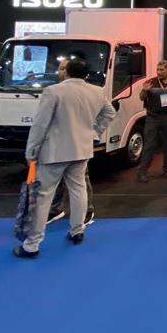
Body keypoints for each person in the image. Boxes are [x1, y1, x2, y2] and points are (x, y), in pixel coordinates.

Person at [13, 58, 115, 259]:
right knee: (79, 190)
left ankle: (32, 245)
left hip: (54, 151)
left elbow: (40, 124)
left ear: (67, 71)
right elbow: (109, 113)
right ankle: (77, 231)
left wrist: (31, 151)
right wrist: (94, 132)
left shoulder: (53, 91)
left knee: (43, 196)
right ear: (86, 74)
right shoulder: (97, 91)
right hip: (82, 149)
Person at [46, 58, 97, 226]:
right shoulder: (53, 90)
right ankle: (55, 209)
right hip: (56, 143)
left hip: (77, 143)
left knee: (82, 178)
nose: (62, 71)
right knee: (57, 178)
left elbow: (104, 113)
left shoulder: (86, 91)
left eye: (64, 68)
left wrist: (94, 133)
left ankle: (87, 210)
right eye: (60, 68)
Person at [137, 60, 167, 183]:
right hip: (152, 117)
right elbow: (141, 97)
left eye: (162, 70)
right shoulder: (151, 82)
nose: (159, 72)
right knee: (149, 145)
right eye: (158, 69)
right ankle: (142, 171)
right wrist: (145, 90)